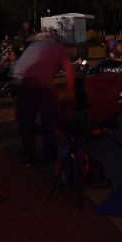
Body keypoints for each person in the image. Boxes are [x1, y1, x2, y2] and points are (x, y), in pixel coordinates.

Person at [11, 36, 75, 166]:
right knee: (48, 120)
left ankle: (28, 156)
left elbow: (39, 72)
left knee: (26, 121)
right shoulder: (60, 49)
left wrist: (52, 92)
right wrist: (70, 92)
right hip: (35, 83)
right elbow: (69, 72)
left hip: (19, 80)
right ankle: (50, 155)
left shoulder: (36, 45)